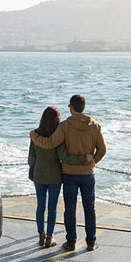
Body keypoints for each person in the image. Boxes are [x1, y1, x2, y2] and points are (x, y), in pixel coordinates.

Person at [29, 94, 107, 252]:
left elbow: (50, 143)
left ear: (71, 108)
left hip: (69, 174)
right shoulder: (95, 126)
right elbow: (103, 150)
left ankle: (71, 242)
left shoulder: (64, 126)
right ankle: (91, 242)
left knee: (69, 208)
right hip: (87, 174)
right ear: (83, 107)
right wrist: (92, 161)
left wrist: (33, 135)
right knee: (89, 208)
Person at [28, 106, 69, 248]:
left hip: (39, 174)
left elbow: (31, 158)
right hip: (55, 176)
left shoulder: (35, 135)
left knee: (40, 206)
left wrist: (32, 169)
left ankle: (41, 235)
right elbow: (62, 156)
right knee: (52, 207)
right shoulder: (57, 136)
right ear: (57, 119)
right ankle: (49, 238)